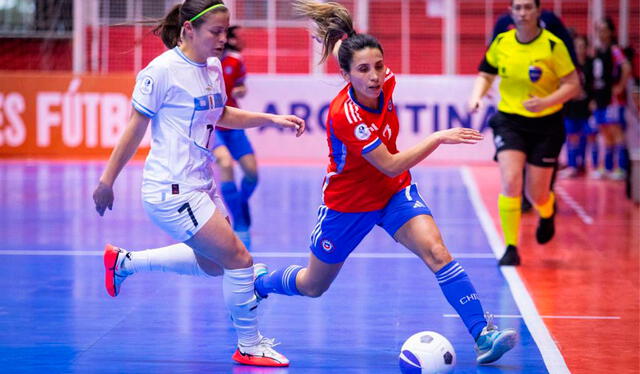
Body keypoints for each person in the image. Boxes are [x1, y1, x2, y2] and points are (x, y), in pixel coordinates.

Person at [253, 0, 517, 365]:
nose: (375, 76)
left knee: (437, 252)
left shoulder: (386, 83)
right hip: (348, 204)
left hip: (393, 194)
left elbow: (392, 175)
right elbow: (390, 163)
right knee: (314, 285)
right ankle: (260, 283)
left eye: (378, 65)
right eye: (363, 70)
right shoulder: (345, 115)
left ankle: (482, 335)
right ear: (346, 75)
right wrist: (437, 137)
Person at [92, 0, 305, 367]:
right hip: (171, 189)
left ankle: (124, 263)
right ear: (189, 29)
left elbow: (220, 114)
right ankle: (249, 345)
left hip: (200, 184)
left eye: (226, 31)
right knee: (239, 260)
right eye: (215, 32)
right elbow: (134, 128)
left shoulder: (212, 67)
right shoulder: (160, 71)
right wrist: (106, 180)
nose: (223, 39)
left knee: (215, 265)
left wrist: (271, 119)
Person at [468, 0, 580, 266]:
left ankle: (547, 210)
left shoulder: (553, 45)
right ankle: (510, 247)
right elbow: (486, 73)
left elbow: (573, 85)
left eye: (528, 7)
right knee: (510, 180)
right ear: (511, 12)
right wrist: (476, 97)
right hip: (509, 120)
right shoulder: (502, 42)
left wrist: (547, 101)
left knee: (537, 194)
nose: (522, 12)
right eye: (517, 8)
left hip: (546, 124)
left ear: (538, 11)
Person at [212, 25, 256, 249]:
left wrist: (240, 91)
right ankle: (239, 222)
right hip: (214, 125)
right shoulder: (206, 60)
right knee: (225, 163)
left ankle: (240, 203)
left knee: (252, 174)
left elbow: (242, 86)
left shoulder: (235, 60)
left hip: (234, 122)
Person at [590, 17, 632, 180]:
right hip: (601, 97)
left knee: (616, 132)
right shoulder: (598, 51)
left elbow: (626, 67)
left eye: (604, 30)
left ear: (611, 32)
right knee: (605, 133)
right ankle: (607, 168)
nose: (601, 33)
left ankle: (621, 168)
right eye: (599, 30)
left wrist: (620, 86)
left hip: (613, 99)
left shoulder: (615, 50)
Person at [560, 34, 596, 178]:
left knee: (587, 136)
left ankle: (585, 166)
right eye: (577, 47)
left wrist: (591, 99)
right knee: (571, 136)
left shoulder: (592, 64)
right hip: (571, 107)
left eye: (582, 47)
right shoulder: (568, 65)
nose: (580, 50)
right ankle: (572, 165)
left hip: (586, 107)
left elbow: (596, 84)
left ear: (587, 48)